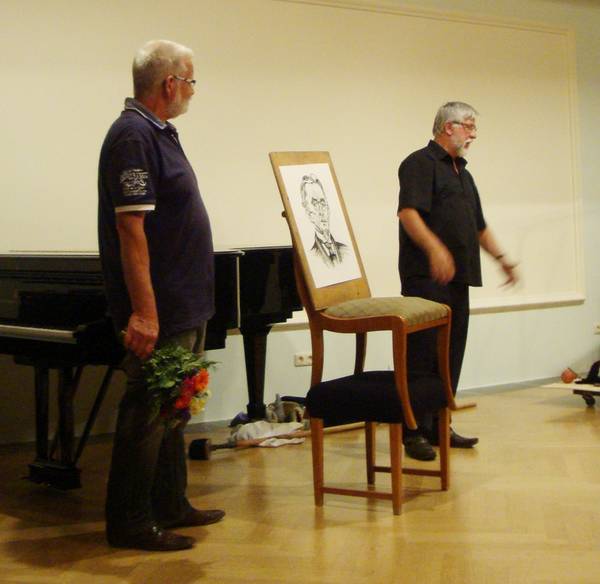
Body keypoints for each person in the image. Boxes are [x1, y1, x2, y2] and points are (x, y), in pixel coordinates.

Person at [98, 39, 224, 551]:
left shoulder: (159, 133)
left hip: (185, 301)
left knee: (175, 407)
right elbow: (131, 229)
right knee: (147, 413)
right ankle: (129, 521)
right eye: (190, 80)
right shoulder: (133, 136)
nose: (192, 89)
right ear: (170, 83)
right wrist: (145, 313)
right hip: (164, 307)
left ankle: (171, 503)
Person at [397, 101, 517, 461]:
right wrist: (435, 249)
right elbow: (408, 213)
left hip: (458, 278)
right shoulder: (419, 163)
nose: (474, 134)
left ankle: (438, 424)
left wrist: (502, 259)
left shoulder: (464, 174)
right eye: (469, 125)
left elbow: (479, 226)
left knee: (450, 355)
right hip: (426, 278)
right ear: (448, 127)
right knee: (422, 355)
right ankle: (412, 431)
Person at [300, 173, 347, 266]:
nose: (321, 211)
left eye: (323, 203)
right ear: (307, 211)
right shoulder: (311, 256)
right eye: (315, 204)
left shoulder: (346, 251)